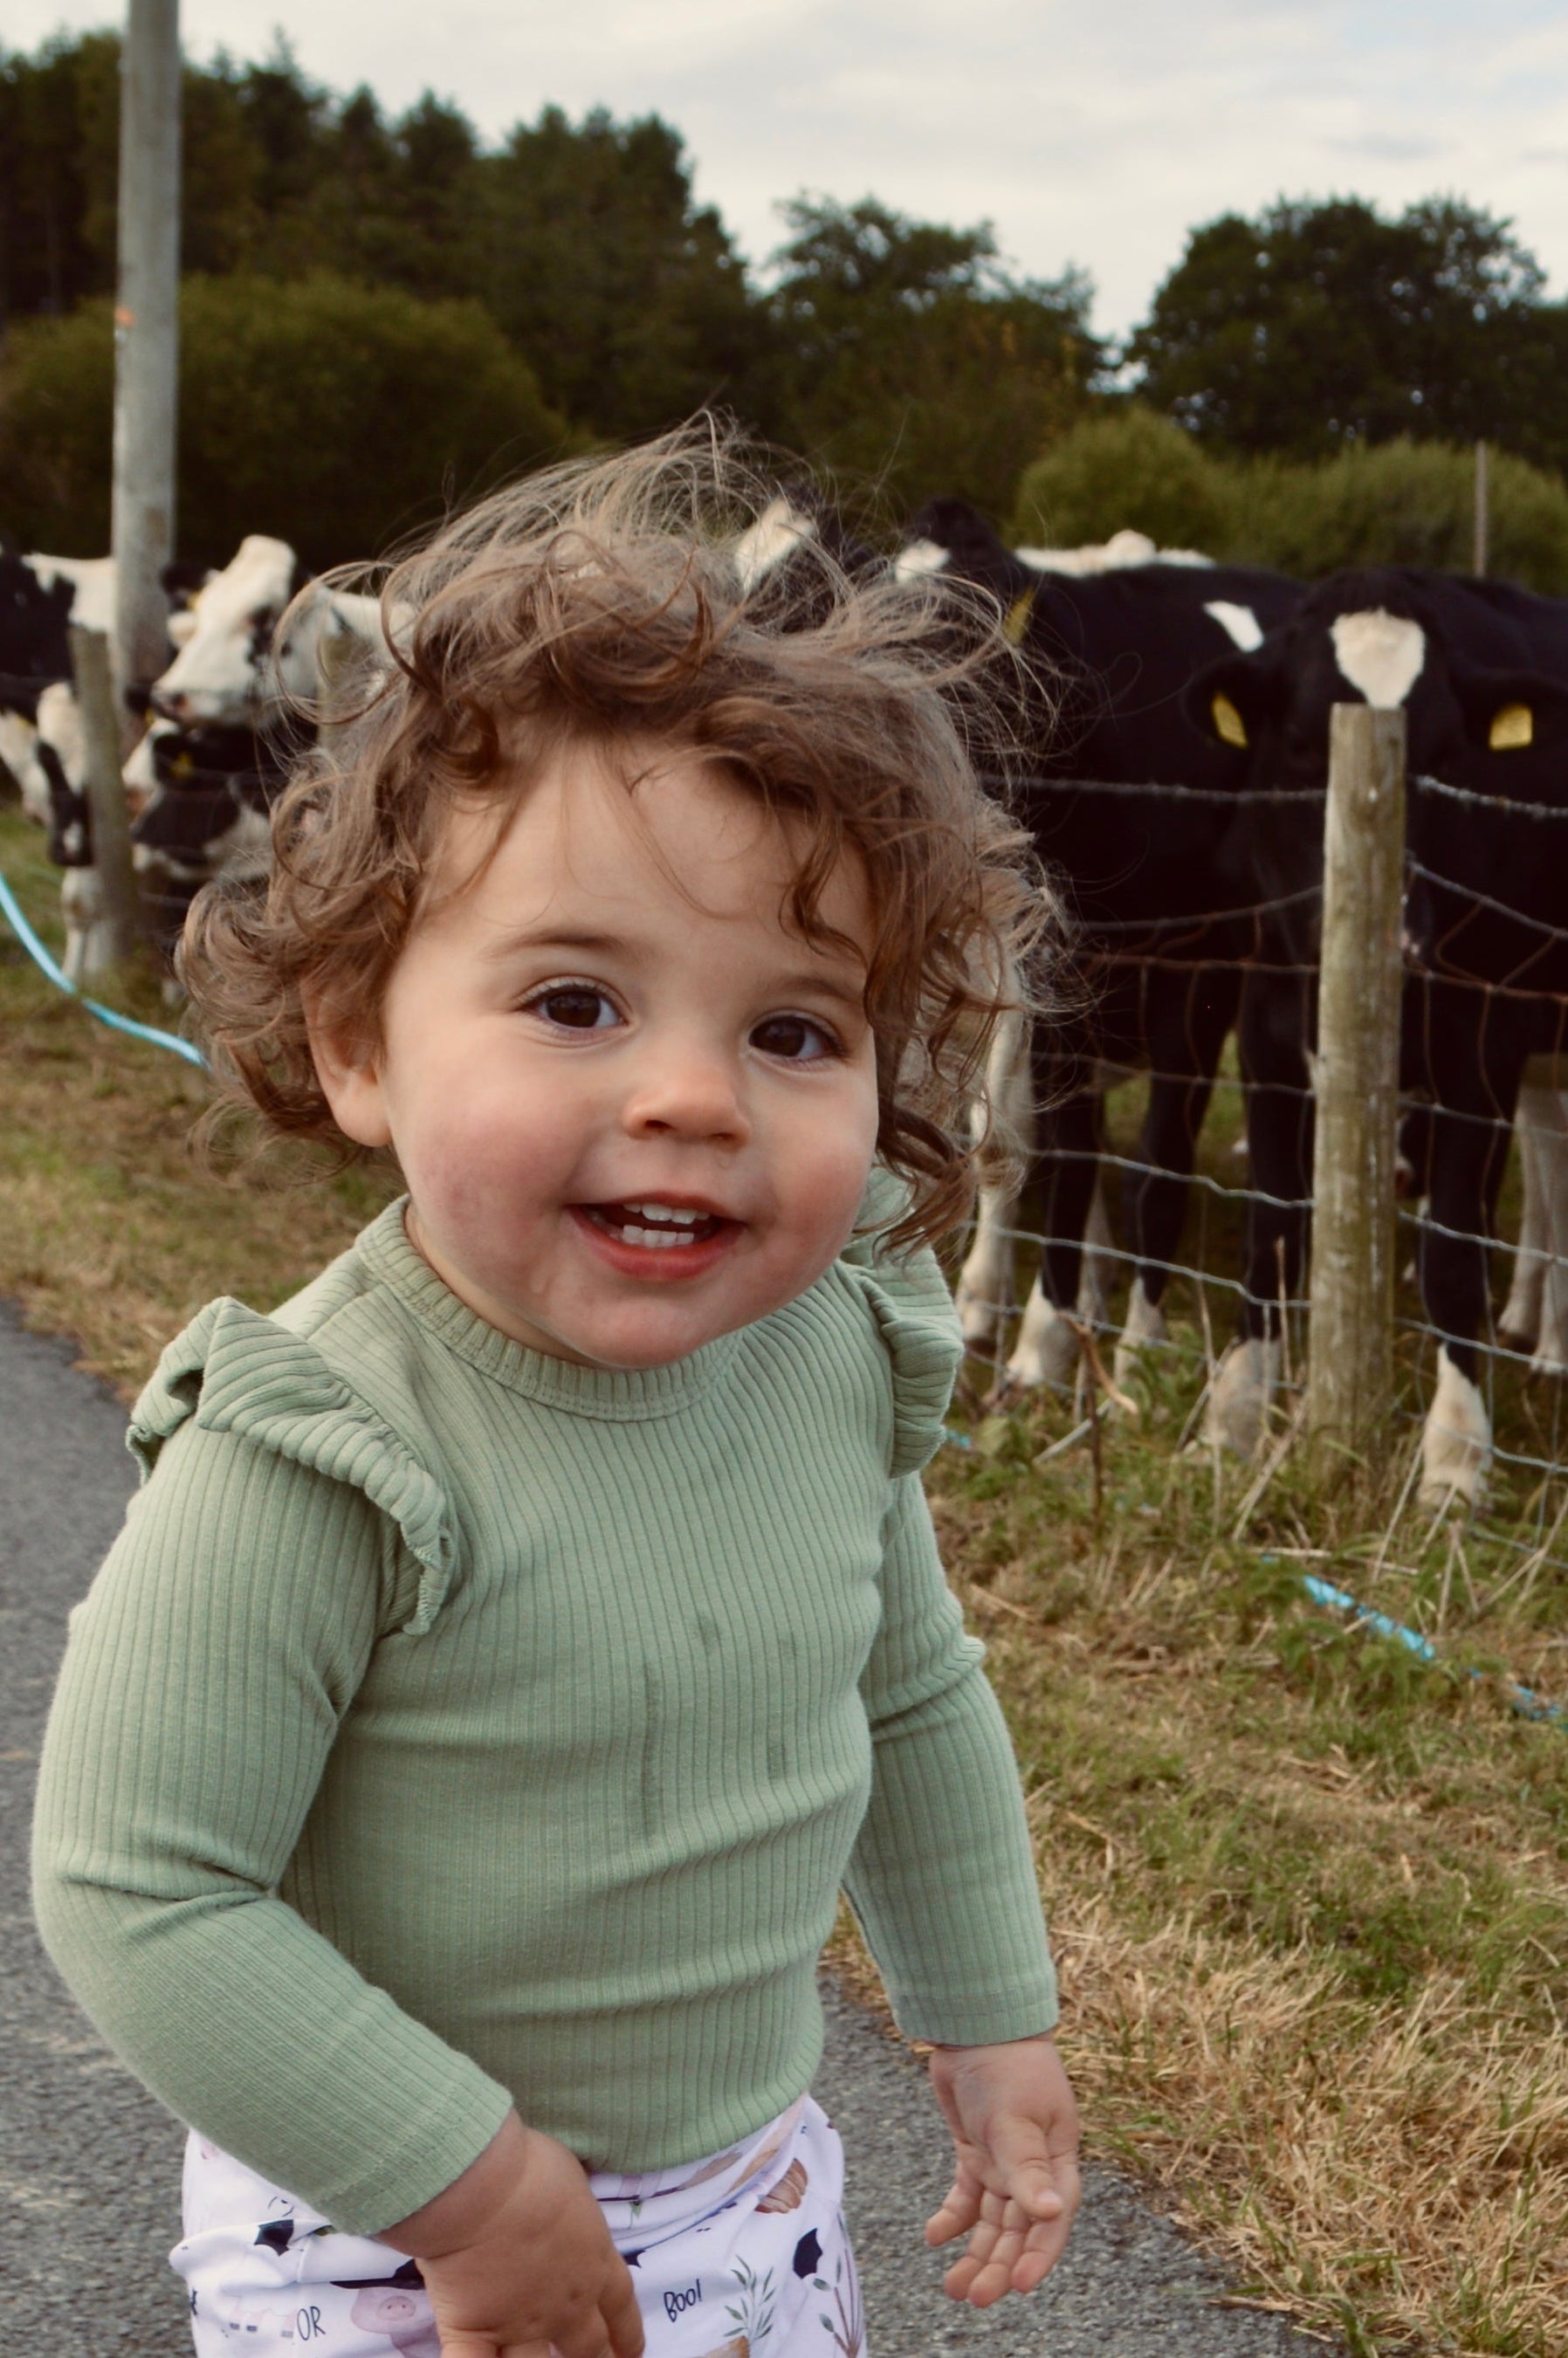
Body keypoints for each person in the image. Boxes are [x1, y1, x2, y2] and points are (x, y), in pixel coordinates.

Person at [32, 430, 1079, 2358]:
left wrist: (987, 2009)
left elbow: (908, 1684)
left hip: (745, 2189)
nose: (691, 1095)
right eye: (576, 1001)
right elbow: (140, 1884)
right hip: (390, 2227)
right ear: (356, 1038)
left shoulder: (830, 1357)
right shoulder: (323, 1445)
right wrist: (469, 2185)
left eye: (792, 1027)